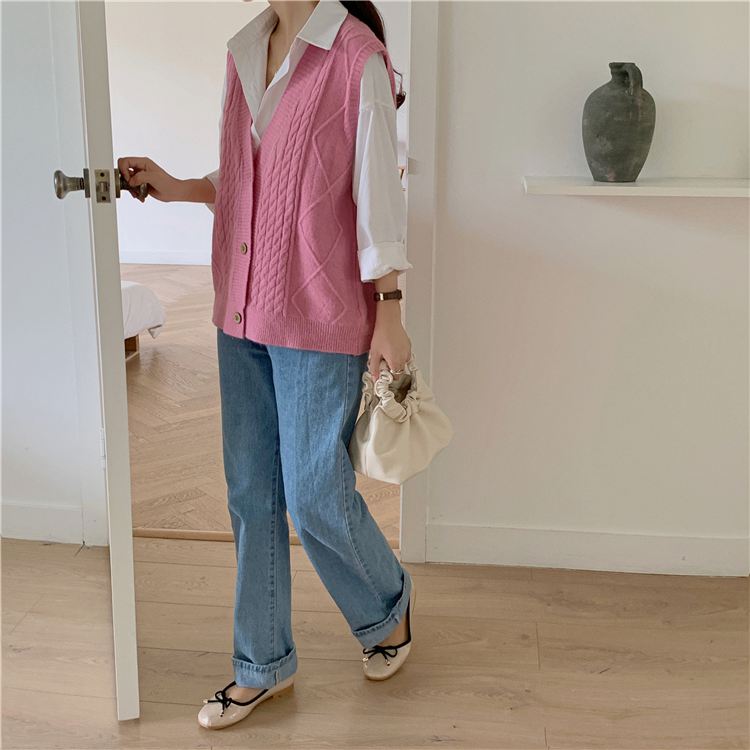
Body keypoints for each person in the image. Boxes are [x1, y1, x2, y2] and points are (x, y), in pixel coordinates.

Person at [118, 0, 416, 730]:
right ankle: (263, 664)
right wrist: (180, 186)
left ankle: (388, 610)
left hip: (319, 311)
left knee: (315, 497)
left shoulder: (356, 57)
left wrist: (390, 310)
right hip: (242, 305)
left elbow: (377, 194)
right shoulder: (244, 50)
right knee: (251, 492)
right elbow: (253, 178)